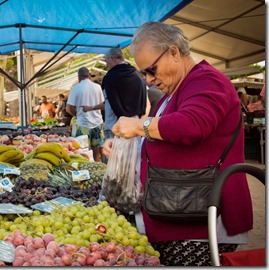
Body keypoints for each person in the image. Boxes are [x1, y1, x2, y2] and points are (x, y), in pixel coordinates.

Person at [102, 22, 252, 266]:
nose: (149, 80)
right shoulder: (177, 89)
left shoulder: (207, 81)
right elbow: (165, 131)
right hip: (180, 213)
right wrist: (129, 142)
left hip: (198, 222)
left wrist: (139, 127)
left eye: (152, 70)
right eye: (144, 74)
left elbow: (192, 125)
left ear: (174, 52)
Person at [82, 48, 147, 140]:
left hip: (115, 128)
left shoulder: (110, 78)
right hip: (135, 126)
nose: (106, 64)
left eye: (106, 60)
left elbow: (110, 103)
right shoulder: (137, 75)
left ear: (112, 58)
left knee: (112, 153)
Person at [66, 67, 105, 162]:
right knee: (97, 151)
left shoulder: (76, 88)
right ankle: (99, 168)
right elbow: (103, 105)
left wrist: (76, 115)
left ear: (79, 77)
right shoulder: (97, 87)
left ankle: (86, 171)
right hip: (97, 123)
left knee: (82, 152)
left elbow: (68, 108)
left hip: (82, 124)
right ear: (89, 75)